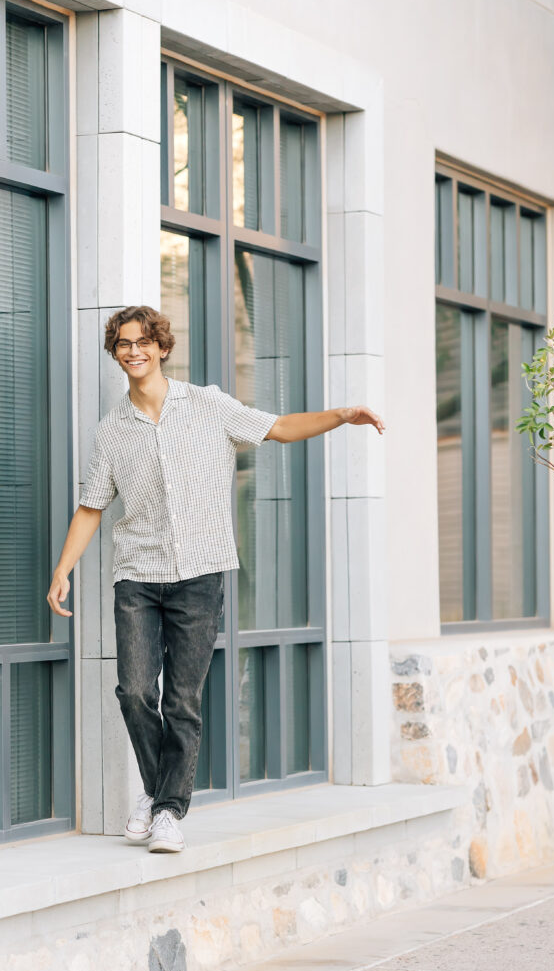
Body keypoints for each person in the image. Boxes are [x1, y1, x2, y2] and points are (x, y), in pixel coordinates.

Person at [47, 305, 384, 853]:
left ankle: (166, 810)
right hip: (137, 574)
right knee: (134, 691)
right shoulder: (111, 432)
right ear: (116, 354)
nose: (133, 351)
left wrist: (342, 415)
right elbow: (91, 508)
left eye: (142, 342)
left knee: (182, 699)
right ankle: (162, 795)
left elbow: (277, 427)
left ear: (161, 347)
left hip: (200, 575)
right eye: (122, 345)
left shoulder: (207, 404)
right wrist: (63, 570)